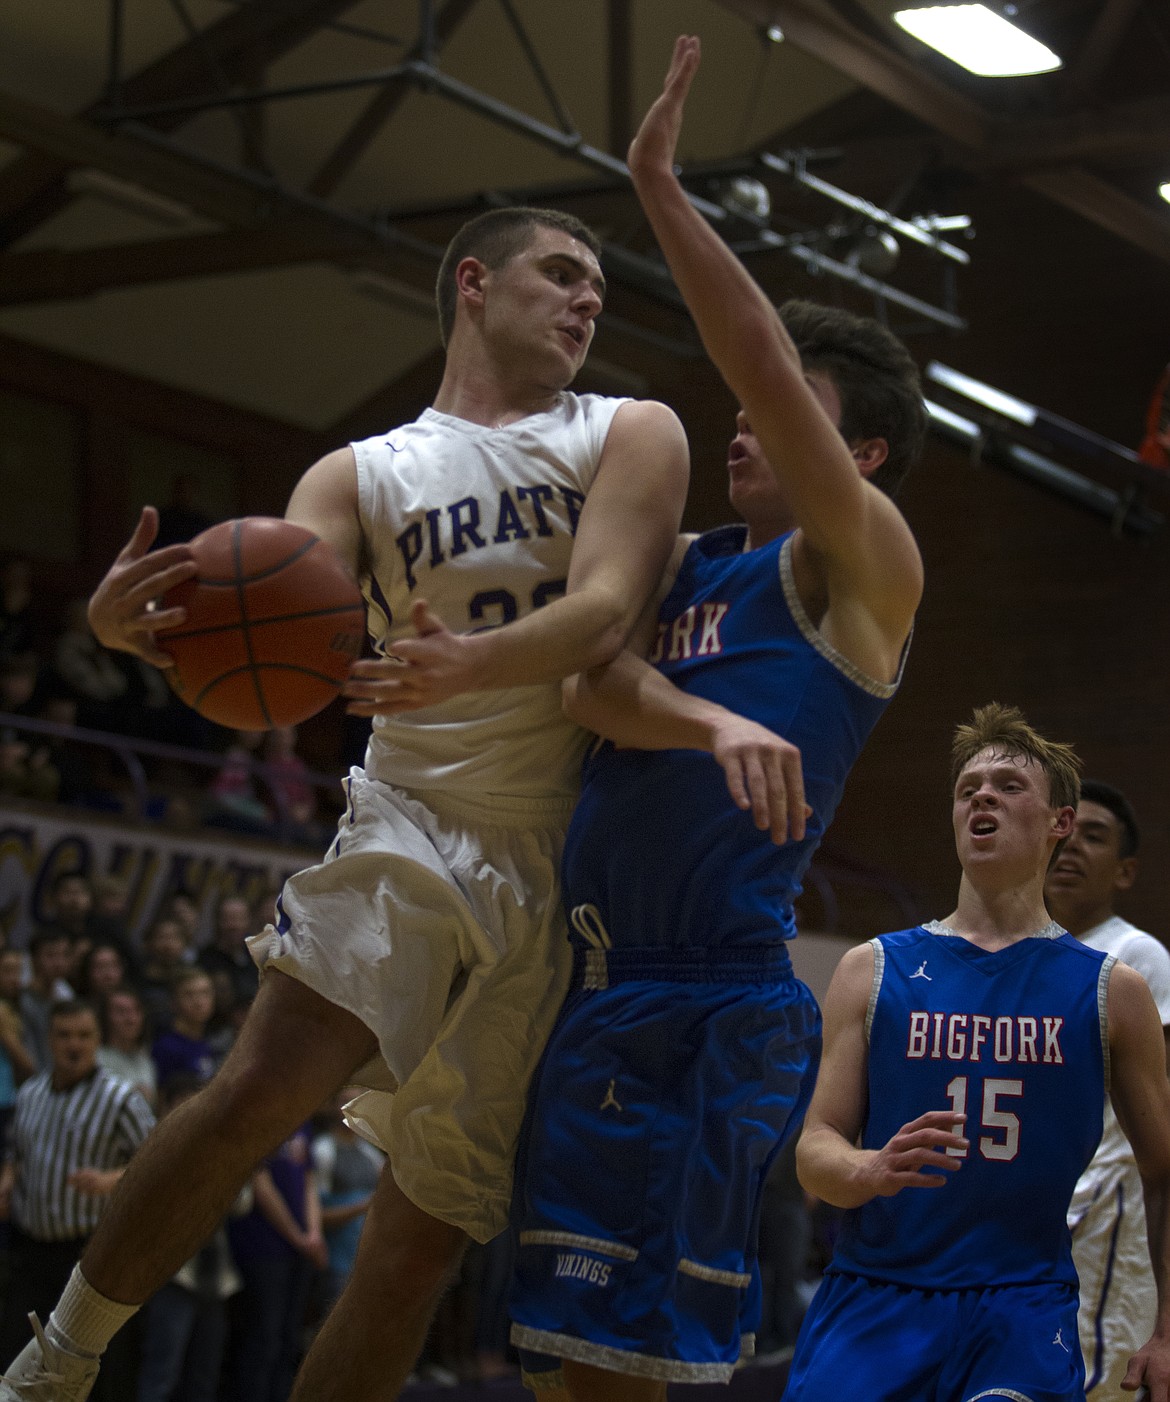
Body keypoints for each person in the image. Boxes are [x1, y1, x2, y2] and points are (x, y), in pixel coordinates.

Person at [0, 203, 688, 1402]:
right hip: (412, 817)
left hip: (562, 862)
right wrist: (139, 633)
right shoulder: (363, 470)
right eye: (563, 274)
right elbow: (253, 620)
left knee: (415, 1250)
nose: (590, 300)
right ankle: (54, 1364)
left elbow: (607, 609)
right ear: (475, 283)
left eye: (599, 287)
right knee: (262, 1085)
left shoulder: (631, 429)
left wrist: (474, 660)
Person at [508, 35, 924, 1397]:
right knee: (567, 1360)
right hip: (595, 979)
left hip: (711, 994)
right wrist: (703, 721)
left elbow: (742, 349)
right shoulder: (683, 560)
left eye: (788, 402)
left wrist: (661, 196)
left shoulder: (862, 569)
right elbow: (589, 685)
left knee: (632, 1366)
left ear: (853, 453)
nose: (745, 419)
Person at [783, 704, 1170, 1402]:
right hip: (877, 1294)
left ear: (1060, 822)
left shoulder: (1116, 989)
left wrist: (1167, 1330)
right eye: (969, 789)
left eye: (1009, 785)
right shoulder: (871, 969)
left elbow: (1164, 1171)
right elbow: (815, 1150)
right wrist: (867, 1168)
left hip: (1022, 1305)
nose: (983, 795)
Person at [1045, 780, 1170, 1398]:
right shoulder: (1026, 950)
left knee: (1096, 1380)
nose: (1071, 848)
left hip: (1105, 1209)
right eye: (1065, 832)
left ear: (1125, 872)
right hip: (1033, 1218)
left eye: (1093, 838)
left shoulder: (1135, 954)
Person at [0, 1001, 155, 1402]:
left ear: (98, 1041)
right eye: (65, 1035)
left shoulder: (121, 1098)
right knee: (20, 1365)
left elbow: (156, 1167)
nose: (74, 1044)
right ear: (50, 1040)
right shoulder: (31, 1093)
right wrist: (6, 1180)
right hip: (31, 1252)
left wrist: (109, 1180)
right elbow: (16, 1154)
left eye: (84, 1036)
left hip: (89, 1258)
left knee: (97, 1372)